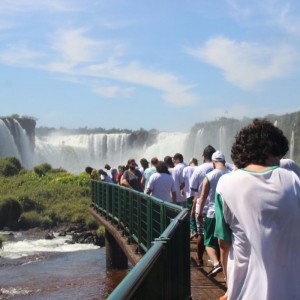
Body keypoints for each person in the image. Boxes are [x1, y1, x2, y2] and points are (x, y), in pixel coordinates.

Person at [214, 118, 300, 300]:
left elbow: (224, 245)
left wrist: (229, 285)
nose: (280, 160)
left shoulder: (225, 185)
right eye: (279, 155)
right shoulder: (294, 181)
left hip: (245, 291)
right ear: (271, 149)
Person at [197, 150, 231, 277]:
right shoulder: (231, 174)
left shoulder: (209, 176)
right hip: (229, 214)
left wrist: (199, 213)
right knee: (226, 243)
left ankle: (216, 264)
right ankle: (228, 271)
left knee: (209, 242)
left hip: (212, 213)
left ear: (213, 162)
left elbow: (203, 197)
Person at [190, 145, 216, 266]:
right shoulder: (225, 168)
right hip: (217, 207)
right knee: (217, 235)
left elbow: (193, 189)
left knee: (201, 233)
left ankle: (199, 259)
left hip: (202, 207)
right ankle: (218, 260)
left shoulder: (199, 169)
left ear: (204, 156)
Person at [182, 157, 198, 239]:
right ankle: (198, 230)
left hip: (189, 194)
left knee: (191, 212)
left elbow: (183, 181)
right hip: (198, 194)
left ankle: (193, 230)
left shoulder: (186, 169)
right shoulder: (199, 168)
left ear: (190, 162)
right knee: (197, 211)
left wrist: (182, 189)